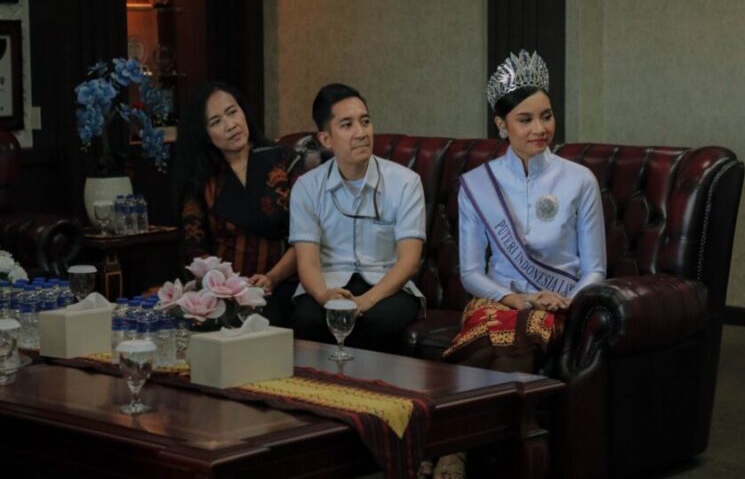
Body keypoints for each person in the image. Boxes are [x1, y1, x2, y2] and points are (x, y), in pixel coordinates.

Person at [432, 50, 606, 479]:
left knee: (517, 336)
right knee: (495, 334)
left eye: (546, 116)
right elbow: (471, 273)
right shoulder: (478, 185)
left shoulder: (579, 180)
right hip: (501, 299)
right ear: (501, 124)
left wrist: (566, 300)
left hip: (557, 304)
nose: (539, 129)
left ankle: (450, 448)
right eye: (525, 120)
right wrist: (516, 298)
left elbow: (595, 269)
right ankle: (475, 451)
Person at [289, 83, 425, 353]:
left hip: (387, 286)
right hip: (329, 283)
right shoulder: (307, 187)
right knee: (307, 319)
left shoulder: (405, 182)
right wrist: (324, 295)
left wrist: (365, 301)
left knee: (379, 322)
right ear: (326, 139)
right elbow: (307, 262)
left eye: (365, 122)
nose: (361, 133)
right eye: (347, 125)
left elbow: (409, 262)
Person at [171, 81, 303, 327]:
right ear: (204, 133)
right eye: (216, 121)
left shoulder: (284, 159)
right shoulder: (201, 179)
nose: (231, 125)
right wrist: (226, 289)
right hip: (223, 293)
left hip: (282, 284)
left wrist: (272, 278)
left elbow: (306, 236)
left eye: (232, 112)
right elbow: (195, 249)